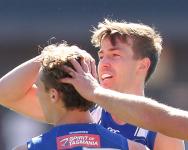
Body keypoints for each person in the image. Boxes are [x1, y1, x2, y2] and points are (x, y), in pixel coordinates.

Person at [0, 19, 184, 150]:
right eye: (101, 55)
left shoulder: (163, 128)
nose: (103, 63)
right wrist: (51, 56)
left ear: (143, 65)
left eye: (115, 55)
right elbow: (4, 94)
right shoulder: (80, 108)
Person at [11, 43, 148, 150]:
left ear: (53, 95)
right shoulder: (135, 148)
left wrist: (49, 55)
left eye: (39, 90)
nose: (39, 98)